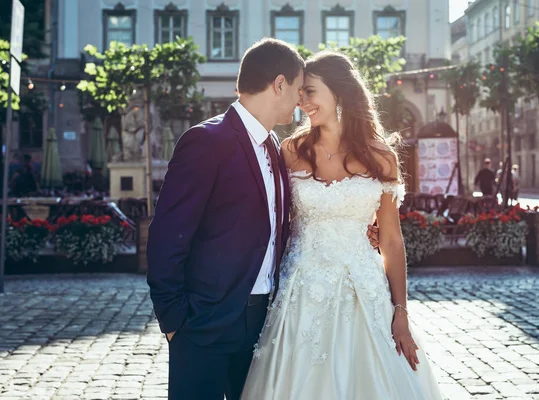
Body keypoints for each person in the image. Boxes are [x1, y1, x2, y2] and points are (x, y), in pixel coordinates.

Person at [146, 39, 378, 400]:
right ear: (280, 85)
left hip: (265, 324)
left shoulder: (276, 147)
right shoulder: (206, 140)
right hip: (205, 323)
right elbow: (166, 236)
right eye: (299, 90)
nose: (301, 101)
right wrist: (175, 322)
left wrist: (359, 227)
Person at [241, 51, 442, 399]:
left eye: (310, 92)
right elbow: (272, 221)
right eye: (300, 93)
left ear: (340, 92)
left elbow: (392, 241)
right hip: (300, 295)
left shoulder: (382, 157)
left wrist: (400, 312)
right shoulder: (290, 151)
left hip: (363, 294)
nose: (302, 102)